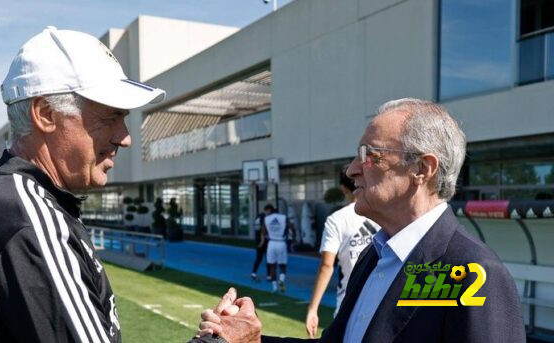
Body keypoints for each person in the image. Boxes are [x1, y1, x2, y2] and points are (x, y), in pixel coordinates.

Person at [191, 98, 525, 343]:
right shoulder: (375, 256)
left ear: (422, 169)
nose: (351, 170)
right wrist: (253, 341)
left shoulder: (473, 273)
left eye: (369, 155)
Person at [0, 26, 165, 342]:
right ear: (46, 114)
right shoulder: (23, 216)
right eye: (110, 116)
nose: (124, 137)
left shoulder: (14, 198)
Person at [305, 167, 379, 338]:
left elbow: (326, 266)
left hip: (349, 303)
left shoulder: (336, 220)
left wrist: (313, 308)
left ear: (343, 189)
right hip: (380, 299)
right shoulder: (383, 213)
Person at [259, 204, 295, 293]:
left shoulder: (267, 219)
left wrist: (262, 241)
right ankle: (282, 280)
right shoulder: (283, 217)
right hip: (281, 243)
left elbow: (263, 231)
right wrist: (294, 238)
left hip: (271, 243)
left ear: (270, 210)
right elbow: (292, 228)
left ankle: (274, 287)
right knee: (282, 265)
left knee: (272, 266)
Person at [251, 209, 269, 282]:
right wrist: (263, 241)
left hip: (258, 241)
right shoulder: (263, 219)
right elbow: (263, 231)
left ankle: (254, 272)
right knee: (268, 259)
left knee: (259, 258)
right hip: (263, 242)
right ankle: (269, 275)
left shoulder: (257, 219)